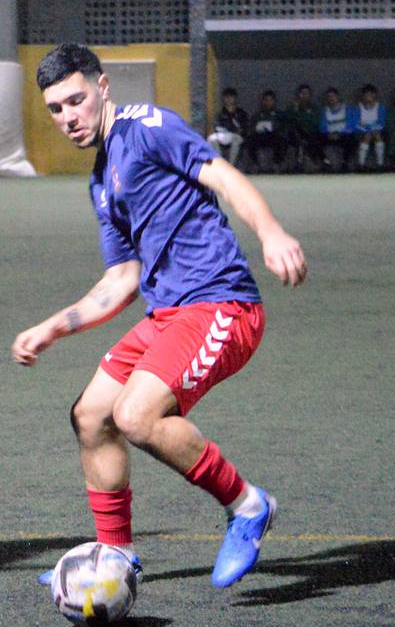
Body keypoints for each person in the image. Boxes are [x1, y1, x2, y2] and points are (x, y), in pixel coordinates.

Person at [17, 43, 306, 591]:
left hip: (222, 303)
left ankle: (248, 506)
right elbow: (122, 279)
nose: (68, 117)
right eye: (56, 109)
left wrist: (271, 232)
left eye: (76, 100)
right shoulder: (101, 181)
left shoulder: (148, 127)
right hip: (169, 314)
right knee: (91, 415)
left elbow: (222, 176)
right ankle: (116, 555)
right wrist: (55, 325)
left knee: (135, 416)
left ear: (102, 88)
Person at [282, 84, 322, 172]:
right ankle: (297, 164)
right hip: (296, 134)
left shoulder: (315, 108)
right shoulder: (292, 108)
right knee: (297, 137)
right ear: (298, 95)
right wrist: (296, 111)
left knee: (312, 140)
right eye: (302, 93)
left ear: (310, 95)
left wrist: (303, 122)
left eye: (306, 93)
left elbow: (314, 122)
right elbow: (289, 122)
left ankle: (317, 164)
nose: (304, 96)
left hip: (312, 133)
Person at [207, 87, 249, 168]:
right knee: (212, 140)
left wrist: (238, 130)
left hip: (236, 135)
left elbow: (244, 127)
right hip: (221, 136)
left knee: (236, 141)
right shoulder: (220, 113)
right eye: (226, 97)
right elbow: (215, 126)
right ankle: (219, 164)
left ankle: (230, 166)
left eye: (231, 97)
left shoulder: (241, 113)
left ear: (235, 98)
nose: (229, 100)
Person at [244, 90, 284, 173]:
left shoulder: (279, 114)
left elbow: (282, 126)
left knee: (280, 140)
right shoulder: (257, 115)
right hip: (259, 136)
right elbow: (251, 126)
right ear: (262, 101)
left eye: (270, 100)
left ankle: (276, 164)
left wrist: (274, 127)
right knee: (250, 140)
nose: (268, 102)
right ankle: (255, 164)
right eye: (266, 100)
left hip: (273, 136)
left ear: (274, 101)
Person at [353, 84, 386, 171]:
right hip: (361, 132)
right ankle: (361, 164)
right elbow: (355, 124)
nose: (369, 97)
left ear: (375, 95)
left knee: (377, 135)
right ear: (363, 96)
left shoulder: (380, 108)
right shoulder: (358, 108)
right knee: (367, 135)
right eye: (367, 95)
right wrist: (367, 130)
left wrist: (372, 129)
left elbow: (382, 123)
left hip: (376, 131)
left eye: (371, 94)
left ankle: (380, 164)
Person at [319, 87, 353, 172]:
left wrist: (339, 133)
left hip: (343, 135)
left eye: (333, 96)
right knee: (314, 139)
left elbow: (351, 126)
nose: (331, 98)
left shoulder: (347, 109)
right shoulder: (324, 111)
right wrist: (329, 134)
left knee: (352, 139)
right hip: (329, 135)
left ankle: (345, 162)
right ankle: (325, 162)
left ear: (338, 97)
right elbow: (322, 126)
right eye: (329, 97)